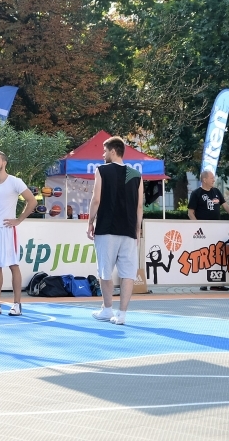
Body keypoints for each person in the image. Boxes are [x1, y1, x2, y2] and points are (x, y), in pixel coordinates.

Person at [86, 136, 143, 325]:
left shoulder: (102, 170)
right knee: (127, 273)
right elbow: (139, 207)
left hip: (107, 228)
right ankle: (122, 314)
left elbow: (96, 199)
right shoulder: (136, 175)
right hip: (128, 229)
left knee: (105, 271)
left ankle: (107, 308)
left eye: (104, 151)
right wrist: (137, 229)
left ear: (112, 151)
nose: (102, 155)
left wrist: (90, 223)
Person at [0, 151, 37, 316]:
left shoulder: (14, 182)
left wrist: (18, 220)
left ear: (4, 162)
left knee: (13, 265)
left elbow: (32, 201)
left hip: (7, 230)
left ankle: (17, 304)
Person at [188, 170, 229, 291]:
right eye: (212, 178)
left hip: (217, 228)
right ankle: (203, 281)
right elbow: (190, 212)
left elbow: (226, 206)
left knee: (216, 253)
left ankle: (216, 283)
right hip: (204, 230)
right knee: (203, 254)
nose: (214, 180)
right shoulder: (196, 193)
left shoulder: (216, 191)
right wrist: (198, 227)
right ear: (204, 179)